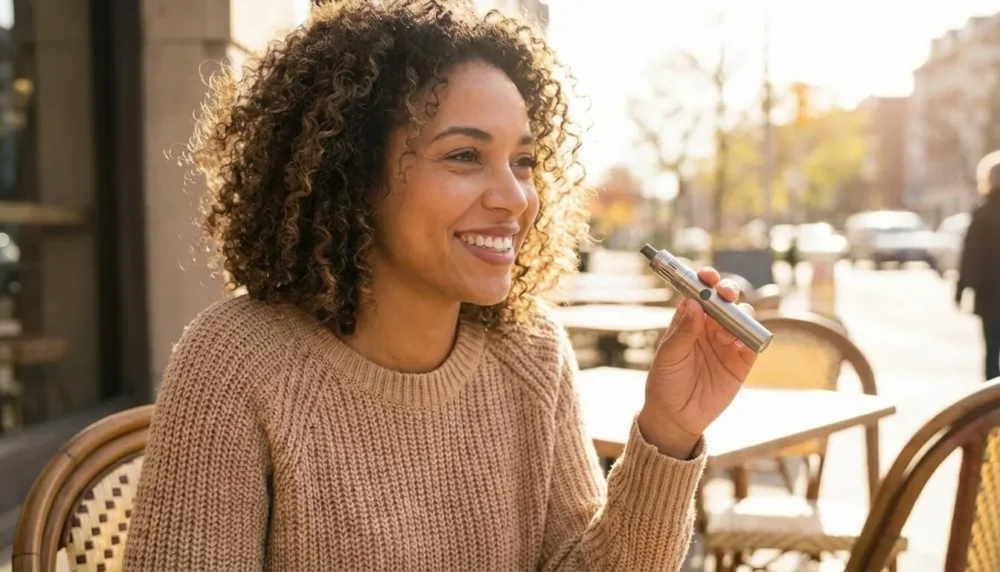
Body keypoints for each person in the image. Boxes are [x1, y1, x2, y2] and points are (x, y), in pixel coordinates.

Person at [123, 1, 758, 570]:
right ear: (351, 173)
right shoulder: (238, 363)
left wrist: (669, 430)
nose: (515, 197)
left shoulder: (530, 352)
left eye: (524, 162)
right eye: (464, 156)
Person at [957, 150, 1000, 381]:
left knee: (992, 351)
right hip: (990, 293)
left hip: (990, 295)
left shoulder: (982, 214)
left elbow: (970, 255)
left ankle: (992, 406)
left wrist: (960, 290)